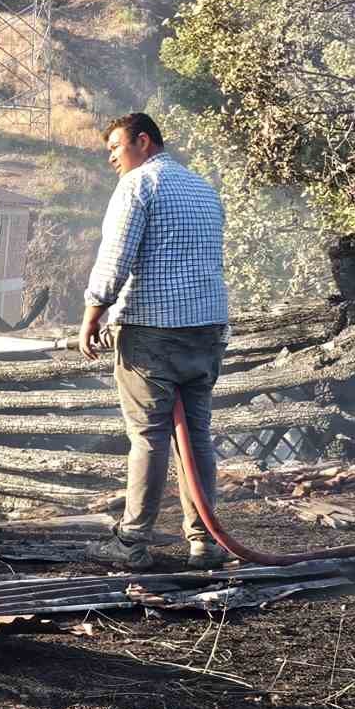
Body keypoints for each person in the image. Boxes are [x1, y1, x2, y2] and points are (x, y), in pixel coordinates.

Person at [79, 112, 231, 572]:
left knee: (148, 437)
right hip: (205, 329)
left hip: (152, 333)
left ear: (143, 141)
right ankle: (204, 542)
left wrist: (92, 313)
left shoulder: (138, 186)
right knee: (196, 437)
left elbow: (115, 258)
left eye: (116, 147)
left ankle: (132, 542)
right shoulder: (203, 187)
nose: (112, 158)